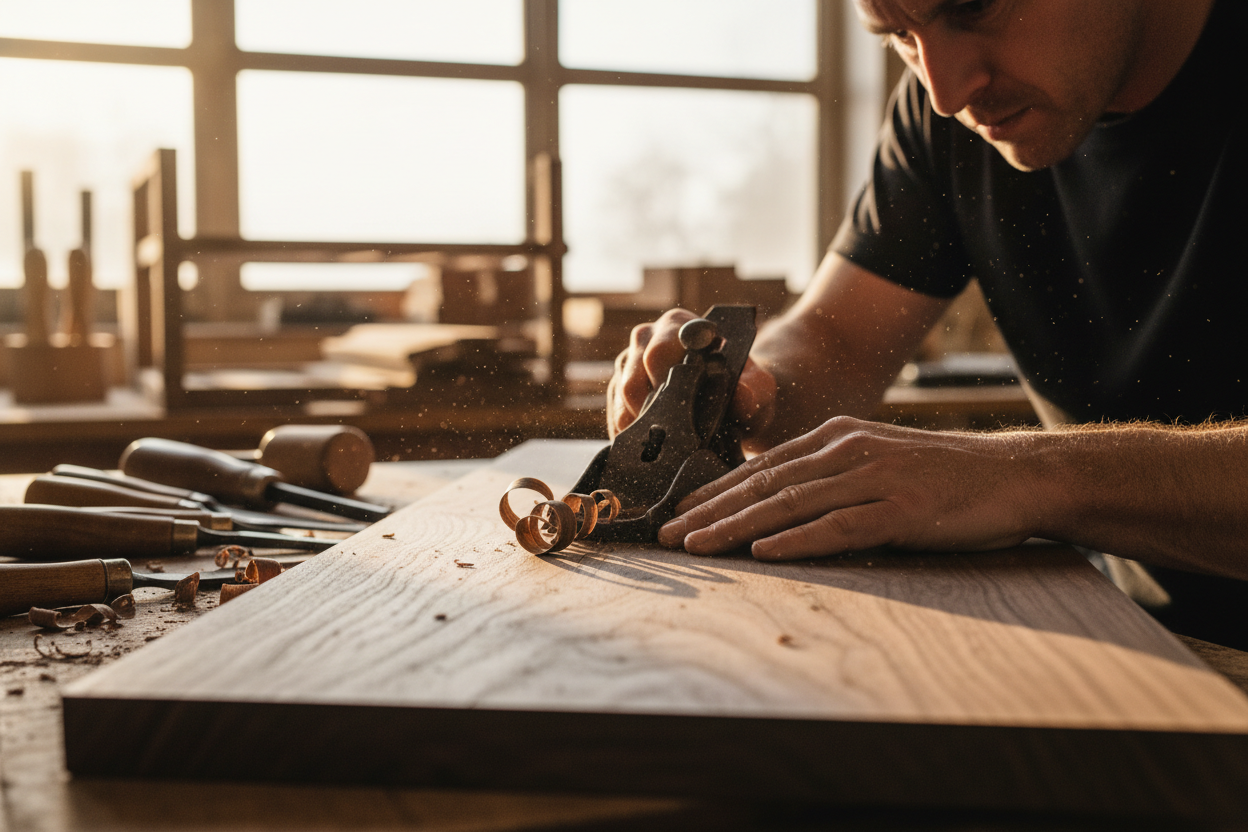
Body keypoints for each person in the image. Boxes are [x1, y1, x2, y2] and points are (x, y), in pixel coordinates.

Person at [607, 0, 1248, 647]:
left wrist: (1031, 476)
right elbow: (838, 339)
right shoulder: (951, 119)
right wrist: (751, 386)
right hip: (1153, 640)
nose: (944, 92)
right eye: (898, 37)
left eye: (974, 9)